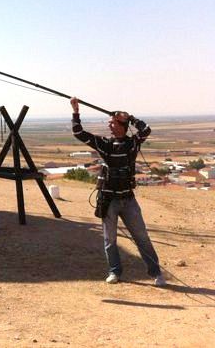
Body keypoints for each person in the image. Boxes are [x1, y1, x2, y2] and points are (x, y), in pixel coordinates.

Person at [70, 97, 165, 286]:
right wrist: (75, 111)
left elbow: (146, 129)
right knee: (110, 239)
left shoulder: (133, 143)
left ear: (122, 126)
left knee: (142, 237)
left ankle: (156, 273)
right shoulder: (104, 143)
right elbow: (78, 132)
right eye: (109, 122)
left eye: (113, 122)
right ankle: (114, 272)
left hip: (128, 199)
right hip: (108, 200)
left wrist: (131, 117)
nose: (109, 125)